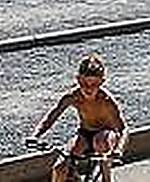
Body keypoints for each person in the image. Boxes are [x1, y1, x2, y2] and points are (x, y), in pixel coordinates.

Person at [30, 53, 128, 182]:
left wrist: (118, 149)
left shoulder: (106, 100)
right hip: (84, 134)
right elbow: (52, 116)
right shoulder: (73, 97)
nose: (88, 89)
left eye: (94, 84)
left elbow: (123, 129)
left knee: (100, 141)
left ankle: (106, 178)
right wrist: (35, 135)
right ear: (78, 80)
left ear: (101, 82)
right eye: (84, 83)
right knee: (60, 167)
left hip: (106, 136)